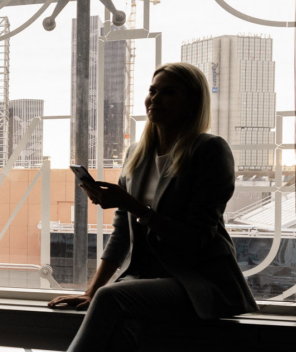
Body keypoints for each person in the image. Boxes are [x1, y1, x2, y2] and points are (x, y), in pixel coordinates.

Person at [49, 62, 258, 351]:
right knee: (121, 326)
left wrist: (134, 207)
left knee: (111, 299)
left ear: (192, 102)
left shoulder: (209, 150)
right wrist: (91, 291)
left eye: (169, 92)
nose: (155, 99)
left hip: (198, 280)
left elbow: (198, 239)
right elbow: (121, 236)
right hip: (147, 280)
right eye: (152, 90)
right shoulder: (136, 153)